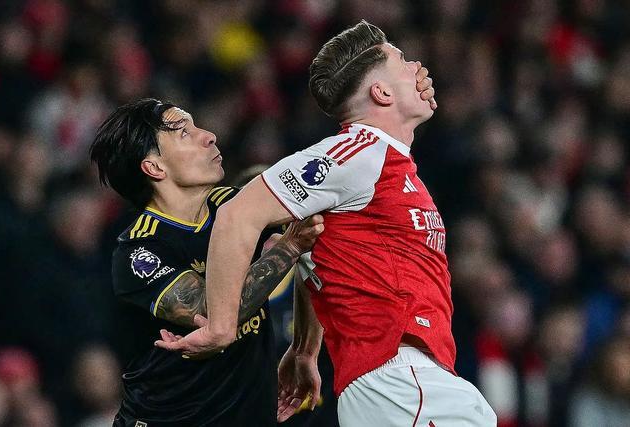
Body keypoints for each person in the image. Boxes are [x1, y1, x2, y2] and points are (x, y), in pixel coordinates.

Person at [157, 21, 493, 426]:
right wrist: (221, 327)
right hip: (401, 380)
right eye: (403, 61)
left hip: (413, 382)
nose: (418, 68)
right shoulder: (358, 151)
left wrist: (304, 348)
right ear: (382, 93)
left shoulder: (387, 165)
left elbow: (315, 246)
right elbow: (238, 213)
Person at [89, 98, 324, 426]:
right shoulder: (139, 252)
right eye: (184, 133)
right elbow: (214, 315)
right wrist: (290, 247)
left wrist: (304, 348)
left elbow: (318, 243)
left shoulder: (233, 205)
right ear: (155, 168)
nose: (209, 135)